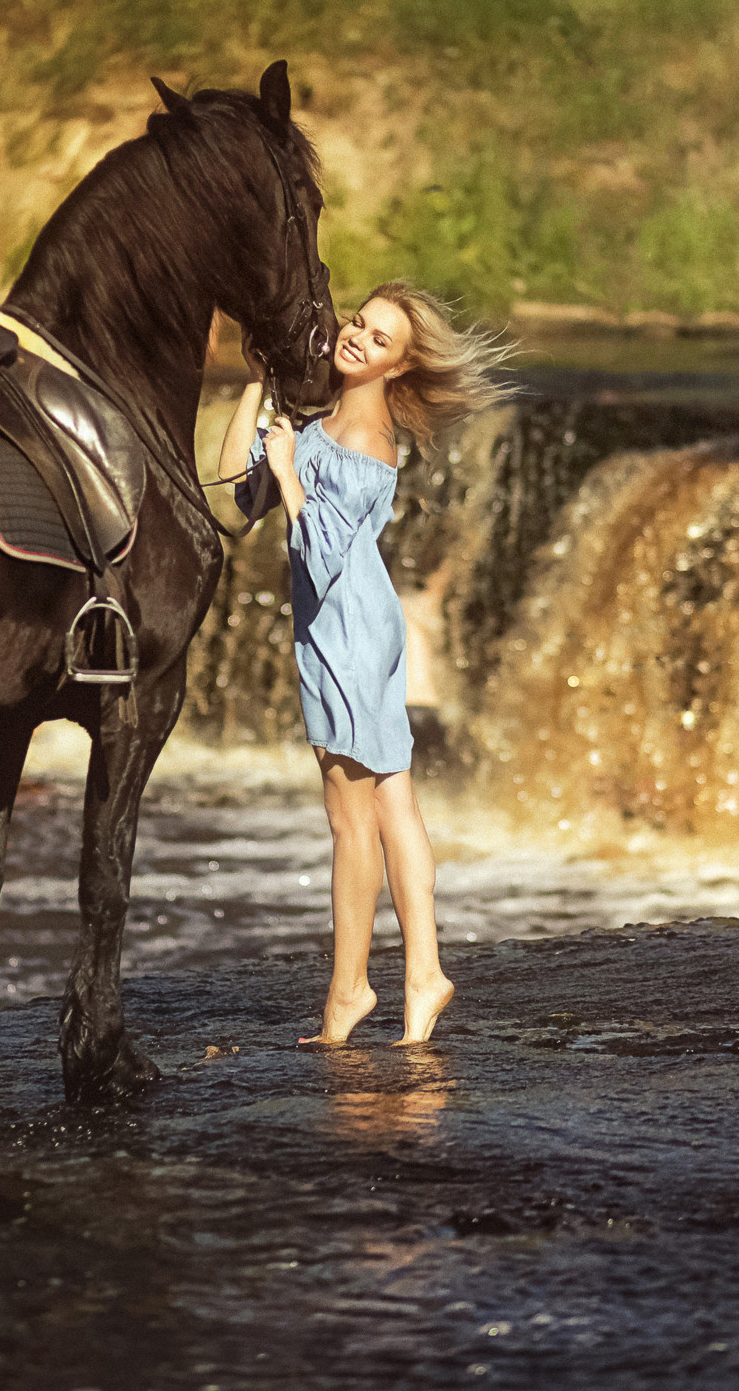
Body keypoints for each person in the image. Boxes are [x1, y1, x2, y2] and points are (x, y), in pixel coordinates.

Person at [218, 281, 510, 1045]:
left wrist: (287, 474)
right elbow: (229, 497)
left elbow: (317, 554)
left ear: (398, 368)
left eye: (379, 339)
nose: (356, 338)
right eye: (358, 323)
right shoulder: (327, 420)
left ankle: (349, 992)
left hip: (345, 632)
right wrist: (258, 383)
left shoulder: (369, 442)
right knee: (393, 805)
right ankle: (425, 976)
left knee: (352, 824)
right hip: (359, 624)